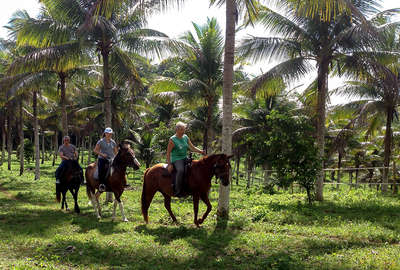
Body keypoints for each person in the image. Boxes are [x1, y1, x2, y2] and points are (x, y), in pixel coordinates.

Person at [166, 122, 205, 196]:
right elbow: (168, 153)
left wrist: (200, 151)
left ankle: (191, 188)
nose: (183, 131)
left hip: (185, 157)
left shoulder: (185, 137)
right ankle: (177, 191)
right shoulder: (172, 140)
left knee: (195, 167)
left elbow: (192, 147)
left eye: (184, 130)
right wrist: (169, 164)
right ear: (177, 130)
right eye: (181, 130)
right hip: (176, 159)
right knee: (180, 170)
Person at [93, 127, 118, 192]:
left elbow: (116, 152)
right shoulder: (101, 141)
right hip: (102, 159)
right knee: (102, 169)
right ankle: (101, 184)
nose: (109, 135)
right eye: (108, 133)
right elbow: (95, 150)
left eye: (110, 134)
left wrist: (117, 158)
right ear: (105, 133)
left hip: (111, 159)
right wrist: (102, 154)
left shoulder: (113, 142)